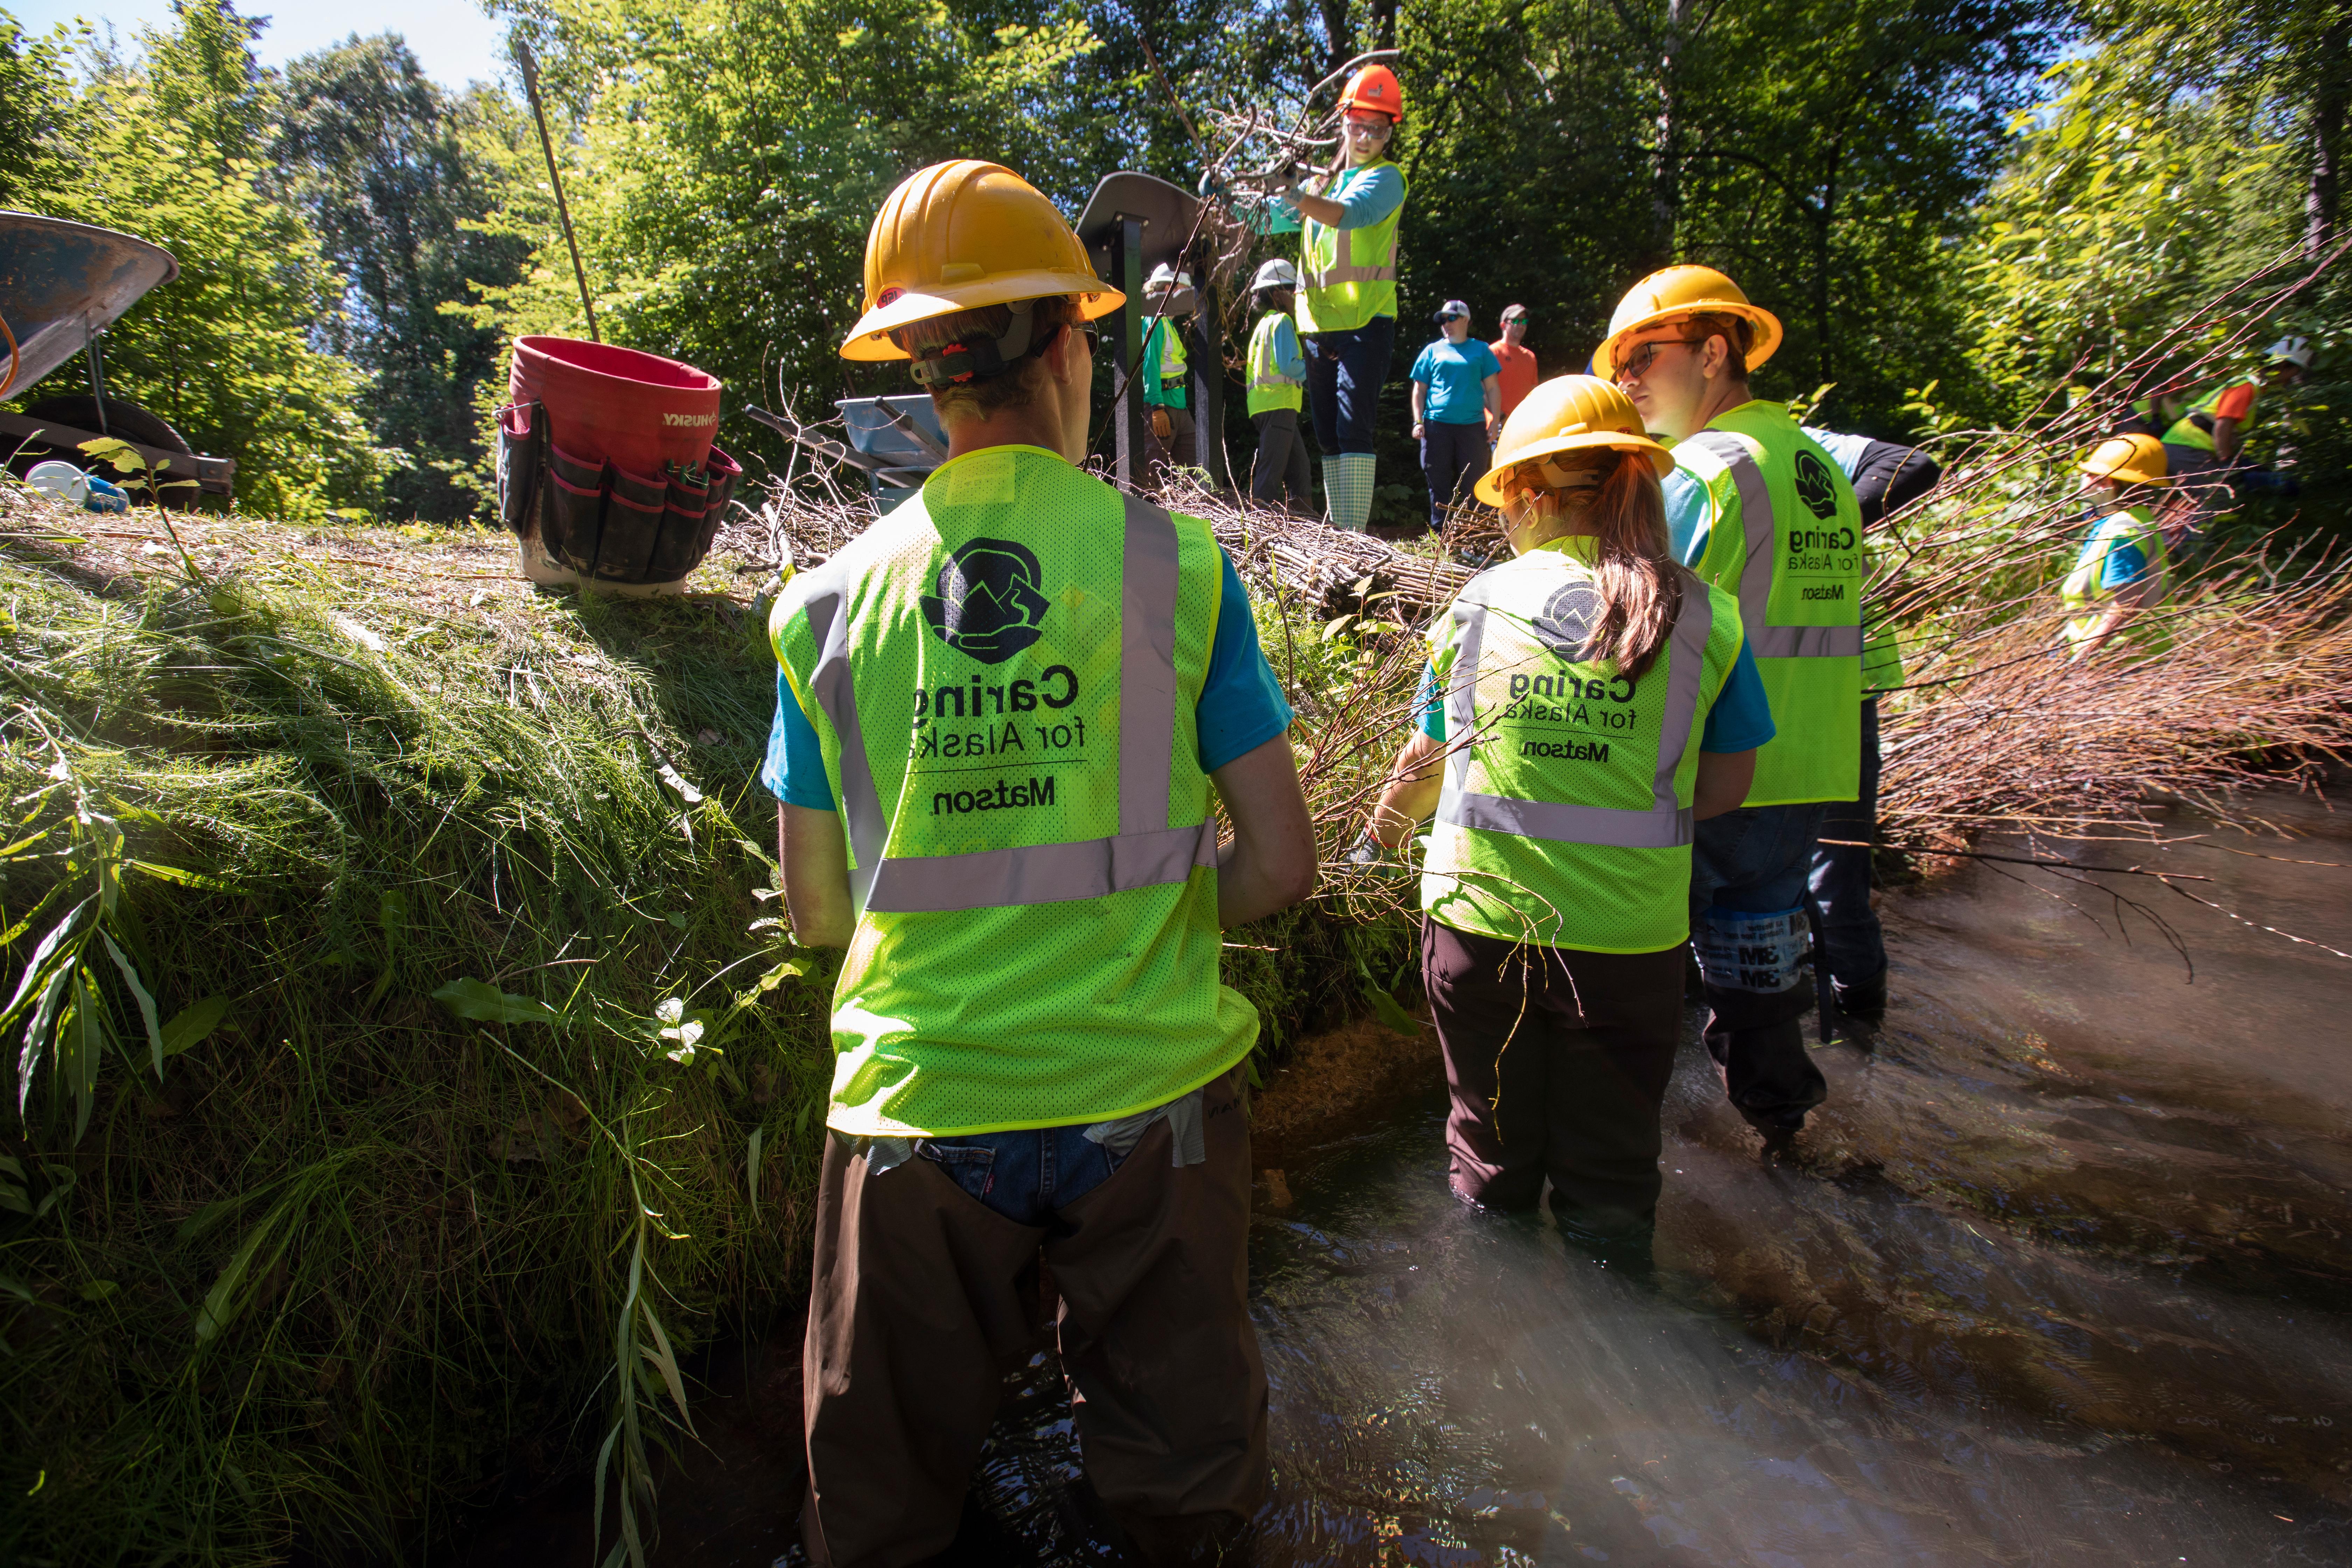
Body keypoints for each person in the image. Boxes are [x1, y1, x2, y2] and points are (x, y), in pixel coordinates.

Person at [768, 159, 1316, 1566]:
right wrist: (1153, 919)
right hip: (1149, 1096)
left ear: (921, 368)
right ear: (1070, 342)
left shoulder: (820, 606)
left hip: (918, 1099)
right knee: (1186, 1498)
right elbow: (1282, 864)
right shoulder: (1179, 568)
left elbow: (817, 907)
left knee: (882, 1513)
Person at [1364, 375, 1771, 1252]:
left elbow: (1424, 764)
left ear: (1531, 495)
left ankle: (1490, 1334)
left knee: (1489, 1164)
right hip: (1628, 943)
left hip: (1483, 930)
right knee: (1612, 1183)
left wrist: (1377, 841)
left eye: (1507, 499)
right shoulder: (1706, 615)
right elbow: (1730, 785)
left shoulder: (1477, 606)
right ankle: (1616, 1339)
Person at [1598, 264, 1864, 1153]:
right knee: (1757, 960)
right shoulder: (1815, 461)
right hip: (1808, 768)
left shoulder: (1706, 471)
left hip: (1716, 773)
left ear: (1715, 353)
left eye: (1645, 354)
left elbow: (1644, 626)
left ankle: (1625, 1155)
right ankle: (1781, 1133)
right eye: (1619, 361)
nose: (1626, 377)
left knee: (1634, 975)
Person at [1796, 427, 1942, 1028]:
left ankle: (1857, 1037)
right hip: (1801, 684)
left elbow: (1913, 465)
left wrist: (1814, 529)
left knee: (1830, 875)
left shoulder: (1789, 447)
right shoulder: (1770, 449)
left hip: (1829, 689)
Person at [1264, 63, 1408, 530]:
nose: (1365, 137)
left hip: (1365, 323)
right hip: (1317, 325)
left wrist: (1297, 195)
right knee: (1327, 433)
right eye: (1358, 126)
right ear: (1343, 124)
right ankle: (1341, 531)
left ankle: (1353, 537)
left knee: (1353, 428)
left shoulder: (1386, 179)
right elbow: (1272, 217)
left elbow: (1352, 215)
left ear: (1389, 133)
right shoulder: (1325, 182)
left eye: (1378, 129)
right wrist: (1225, 195)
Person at [2062, 433, 2170, 658]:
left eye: (2090, 474)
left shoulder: (2123, 533)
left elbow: (2127, 603)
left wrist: (2087, 651)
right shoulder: (2134, 518)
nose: (2084, 479)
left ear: (2106, 482)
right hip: (2132, 652)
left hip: (2123, 658)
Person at [1409, 300, 1502, 535]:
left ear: (1465, 320)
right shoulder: (1432, 351)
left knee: (1474, 481)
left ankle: (1474, 535)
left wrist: (1496, 424)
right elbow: (1419, 390)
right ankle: (1441, 535)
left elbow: (1492, 388)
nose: (1446, 324)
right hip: (1436, 425)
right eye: (1442, 320)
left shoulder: (1481, 350)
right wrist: (1418, 422)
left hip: (1473, 426)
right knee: (1437, 481)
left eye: (1451, 318)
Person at [1246, 257, 1312, 514]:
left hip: (1265, 407)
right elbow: (1289, 366)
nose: (1297, 296)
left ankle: (1305, 519)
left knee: (1300, 467)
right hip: (1279, 405)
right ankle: (1258, 525)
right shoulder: (1283, 322)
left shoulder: (1263, 325)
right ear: (1277, 293)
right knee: (1271, 471)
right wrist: (1315, 369)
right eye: (1293, 290)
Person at [1139, 262, 1198, 484]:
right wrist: (1157, 408)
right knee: (1149, 476)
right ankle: (1142, 516)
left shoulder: (1169, 324)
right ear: (1169, 290)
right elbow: (1150, 364)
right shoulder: (1156, 320)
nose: (1188, 298)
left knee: (1195, 474)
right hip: (1163, 406)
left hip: (1178, 407)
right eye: (1184, 291)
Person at [1490, 303, 1539, 420]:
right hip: (1497, 423)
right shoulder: (1493, 352)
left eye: (1524, 322)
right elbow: (1480, 390)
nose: (1521, 325)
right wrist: (1500, 416)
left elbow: (1534, 392)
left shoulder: (1530, 357)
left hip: (1523, 423)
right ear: (1503, 325)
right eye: (1516, 321)